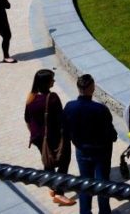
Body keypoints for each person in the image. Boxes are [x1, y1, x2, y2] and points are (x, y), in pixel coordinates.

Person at [63, 74, 117, 214]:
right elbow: (110, 132)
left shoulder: (70, 107)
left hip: (81, 151)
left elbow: (65, 128)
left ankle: (85, 212)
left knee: (85, 184)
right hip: (101, 153)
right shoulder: (100, 109)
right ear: (91, 88)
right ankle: (104, 212)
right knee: (102, 184)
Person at [25, 70, 76, 207]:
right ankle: (59, 193)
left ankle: (52, 186)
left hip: (37, 137)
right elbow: (61, 119)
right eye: (52, 79)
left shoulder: (31, 97)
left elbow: (27, 119)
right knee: (64, 160)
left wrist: (35, 133)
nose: (54, 81)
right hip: (53, 136)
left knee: (47, 160)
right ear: (46, 82)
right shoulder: (52, 98)